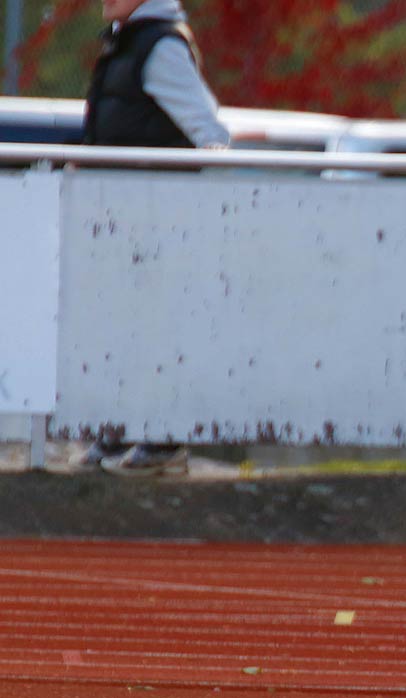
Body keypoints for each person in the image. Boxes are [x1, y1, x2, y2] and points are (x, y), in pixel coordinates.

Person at [77, 0, 229, 478]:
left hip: (156, 219)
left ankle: (164, 435)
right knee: (120, 323)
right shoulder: (128, 42)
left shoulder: (159, 45)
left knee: (155, 323)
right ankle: (120, 426)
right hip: (120, 215)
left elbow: (211, 133)